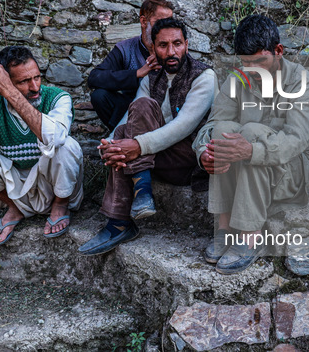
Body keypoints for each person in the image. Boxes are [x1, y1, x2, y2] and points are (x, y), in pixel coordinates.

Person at [193, 15, 309, 274]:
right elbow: (212, 125)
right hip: (251, 159)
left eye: (260, 61)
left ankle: (251, 236)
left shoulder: (301, 80)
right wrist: (203, 152)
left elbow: (297, 140)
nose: (253, 70)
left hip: (294, 165)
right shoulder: (238, 79)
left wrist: (252, 150)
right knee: (223, 132)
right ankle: (224, 229)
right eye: (246, 63)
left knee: (250, 135)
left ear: (278, 51)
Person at [78, 18, 217, 256]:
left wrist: (137, 145)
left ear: (186, 44)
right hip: (155, 159)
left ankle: (129, 207)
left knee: (128, 137)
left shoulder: (204, 77)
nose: (171, 51)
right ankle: (127, 213)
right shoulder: (151, 77)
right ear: (153, 48)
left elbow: (183, 127)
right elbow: (128, 121)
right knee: (133, 117)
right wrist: (110, 144)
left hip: (187, 161)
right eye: (163, 45)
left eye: (177, 43)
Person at [0, 46, 84, 244]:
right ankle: (15, 208)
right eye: (23, 81)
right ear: (4, 83)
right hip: (16, 189)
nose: (35, 87)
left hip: (53, 185)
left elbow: (55, 138)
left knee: (65, 145)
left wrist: (10, 91)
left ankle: (60, 205)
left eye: (37, 77)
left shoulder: (58, 97)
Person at [88, 0, 174, 131]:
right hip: (132, 109)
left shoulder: (175, 48)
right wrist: (137, 74)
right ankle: (122, 134)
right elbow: (95, 78)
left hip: (167, 111)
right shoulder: (126, 48)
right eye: (161, 22)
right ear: (144, 21)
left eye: (170, 22)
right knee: (100, 96)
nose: (167, 27)